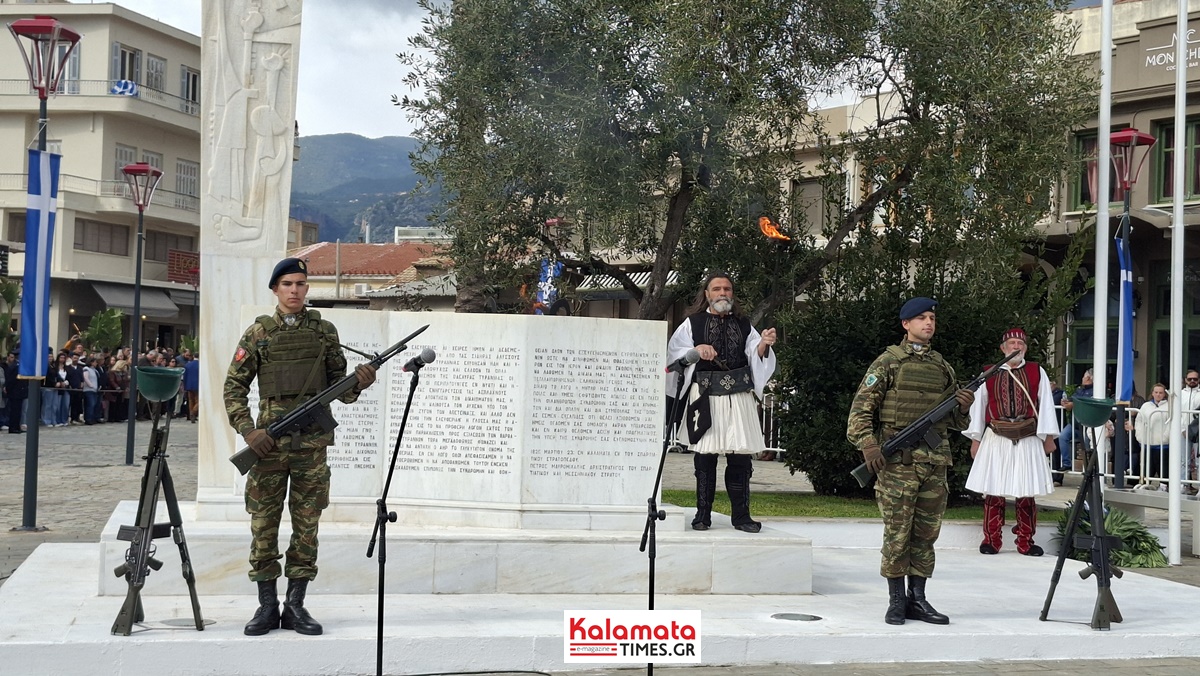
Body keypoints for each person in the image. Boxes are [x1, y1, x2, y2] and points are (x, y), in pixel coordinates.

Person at [224, 257, 377, 637]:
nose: (295, 290)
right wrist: (248, 432)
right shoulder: (258, 334)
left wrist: (360, 382)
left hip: (311, 447)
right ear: (275, 289)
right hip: (268, 446)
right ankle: (265, 606)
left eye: (301, 284)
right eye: (288, 284)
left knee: (307, 526)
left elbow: (342, 390)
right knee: (263, 526)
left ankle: (295, 605)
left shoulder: (325, 332)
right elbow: (233, 388)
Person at [846, 296, 973, 625]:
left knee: (926, 534)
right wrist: (869, 446)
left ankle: (919, 598)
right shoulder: (889, 363)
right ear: (906, 324)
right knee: (898, 532)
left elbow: (956, 425)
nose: (928, 323)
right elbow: (861, 410)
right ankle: (896, 600)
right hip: (898, 463)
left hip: (934, 462)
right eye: (921, 318)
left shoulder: (942, 367)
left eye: (932, 317)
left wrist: (962, 407)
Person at [666, 272, 777, 533]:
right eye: (717, 289)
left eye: (727, 288)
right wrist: (697, 350)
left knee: (740, 458)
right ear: (707, 294)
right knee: (705, 457)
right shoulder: (692, 323)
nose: (723, 293)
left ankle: (741, 516)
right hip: (704, 395)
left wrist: (764, 344)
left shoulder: (743, 324)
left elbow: (754, 353)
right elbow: (675, 355)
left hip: (738, 395)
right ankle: (702, 515)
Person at [963, 328, 1058, 557]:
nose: (1016, 347)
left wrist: (1049, 438)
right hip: (997, 435)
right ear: (1003, 348)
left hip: (1028, 435)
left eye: (1020, 343)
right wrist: (976, 439)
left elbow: (1045, 404)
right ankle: (991, 540)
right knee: (994, 491)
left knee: (1026, 492)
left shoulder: (1037, 371)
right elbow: (979, 406)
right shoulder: (989, 373)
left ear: (1025, 348)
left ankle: (1025, 541)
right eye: (1012, 343)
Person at [1130, 383, 1170, 487]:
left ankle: (1163, 486)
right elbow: (1138, 420)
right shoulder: (1146, 405)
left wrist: (1165, 437)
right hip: (1146, 442)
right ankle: (1144, 484)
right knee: (1146, 466)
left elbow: (1171, 423)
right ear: (1152, 393)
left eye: (1160, 392)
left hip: (1162, 443)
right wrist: (1139, 435)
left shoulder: (1169, 406)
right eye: (1156, 392)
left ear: (1164, 394)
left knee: (1163, 466)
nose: (1158, 395)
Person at [1057, 369, 1094, 472]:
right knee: (1062, 437)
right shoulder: (1079, 390)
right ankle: (1066, 463)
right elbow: (1072, 400)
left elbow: (1088, 403)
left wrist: (1074, 405)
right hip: (1075, 423)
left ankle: (1089, 470)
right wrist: (1065, 403)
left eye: (1083, 376)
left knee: (1087, 447)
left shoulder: (1095, 391)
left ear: (1087, 378)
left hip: (1087, 425)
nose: (1082, 378)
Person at [4, 352, 28, 434]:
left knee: (18, 411)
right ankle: (13, 427)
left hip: (18, 392)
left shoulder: (17, 365)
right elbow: (11, 380)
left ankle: (16, 426)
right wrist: (8, 389)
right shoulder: (15, 366)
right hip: (15, 392)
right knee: (15, 411)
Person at [183, 355, 200, 423]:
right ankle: (193, 412)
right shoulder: (200, 365)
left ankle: (191, 415)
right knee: (199, 401)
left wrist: (185, 386)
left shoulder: (187, 365)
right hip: (198, 385)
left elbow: (185, 376)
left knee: (191, 401)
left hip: (189, 385)